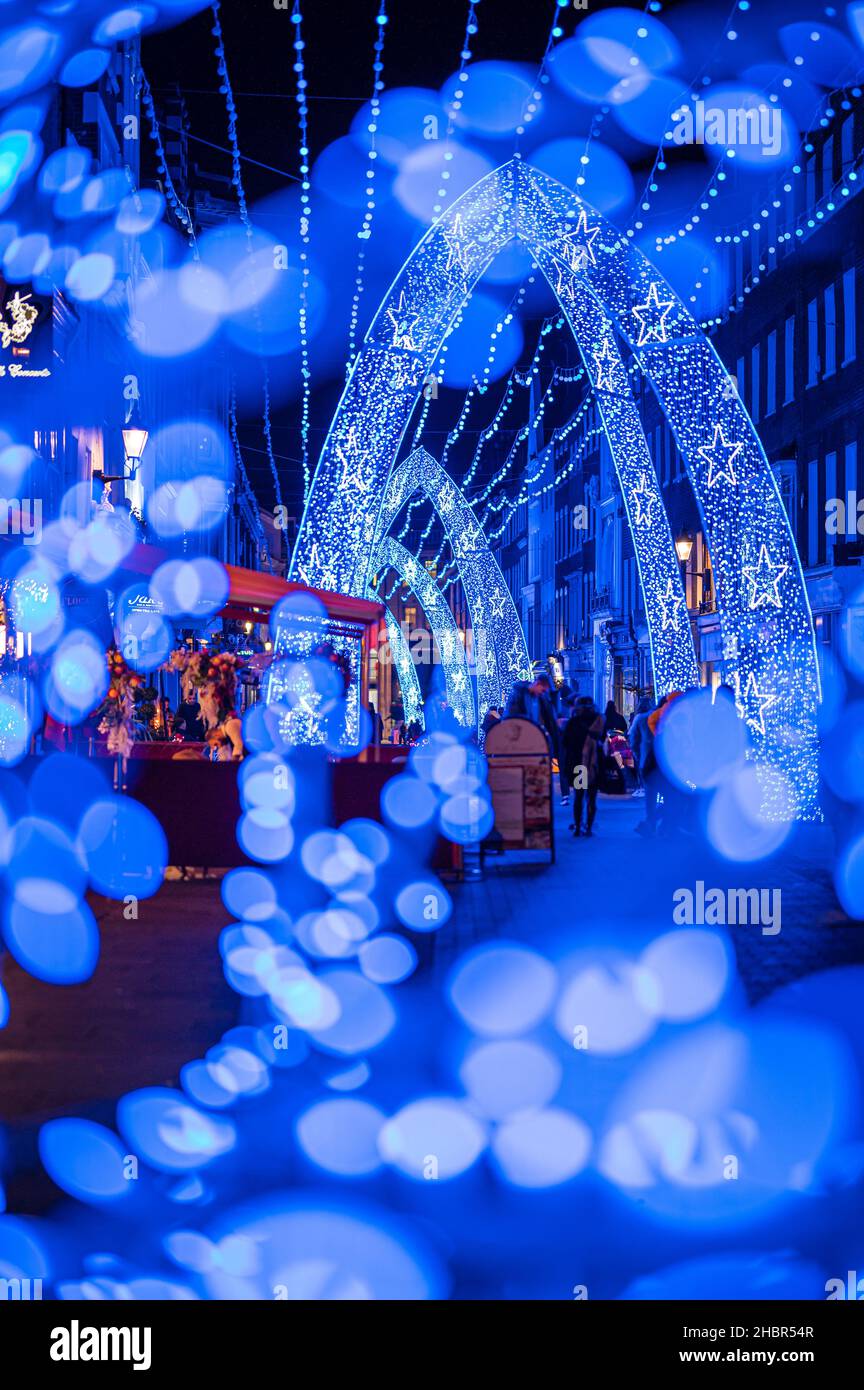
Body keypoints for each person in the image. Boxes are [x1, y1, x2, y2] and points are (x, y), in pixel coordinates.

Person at [562, 697, 604, 837]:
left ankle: (578, 827)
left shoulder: (573, 722)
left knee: (578, 797)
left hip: (579, 764)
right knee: (591, 798)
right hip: (594, 764)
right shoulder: (598, 720)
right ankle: (589, 828)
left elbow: (565, 742)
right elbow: (603, 740)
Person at [628, 694, 653, 796]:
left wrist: (633, 746)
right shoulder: (653, 715)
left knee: (640, 767)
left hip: (640, 746)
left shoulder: (639, 717)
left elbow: (632, 733)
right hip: (651, 747)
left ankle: (642, 787)